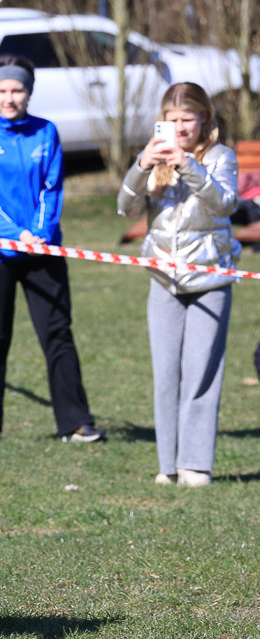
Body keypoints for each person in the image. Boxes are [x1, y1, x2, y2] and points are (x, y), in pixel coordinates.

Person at [0, 55, 103, 445]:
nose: (9, 98)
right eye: (2, 90)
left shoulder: (46, 132)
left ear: (29, 92)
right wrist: (16, 235)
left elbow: (51, 189)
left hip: (43, 251)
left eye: (17, 90)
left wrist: (39, 234)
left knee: (57, 333)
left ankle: (76, 423)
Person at [117, 82, 240, 487]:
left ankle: (196, 464)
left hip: (209, 279)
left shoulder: (221, 157)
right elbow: (125, 209)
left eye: (188, 118)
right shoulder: (155, 160)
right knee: (166, 373)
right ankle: (168, 465)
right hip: (163, 279)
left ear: (204, 118)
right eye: (172, 120)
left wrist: (188, 164)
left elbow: (224, 204)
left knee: (201, 372)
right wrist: (142, 165)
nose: (181, 127)